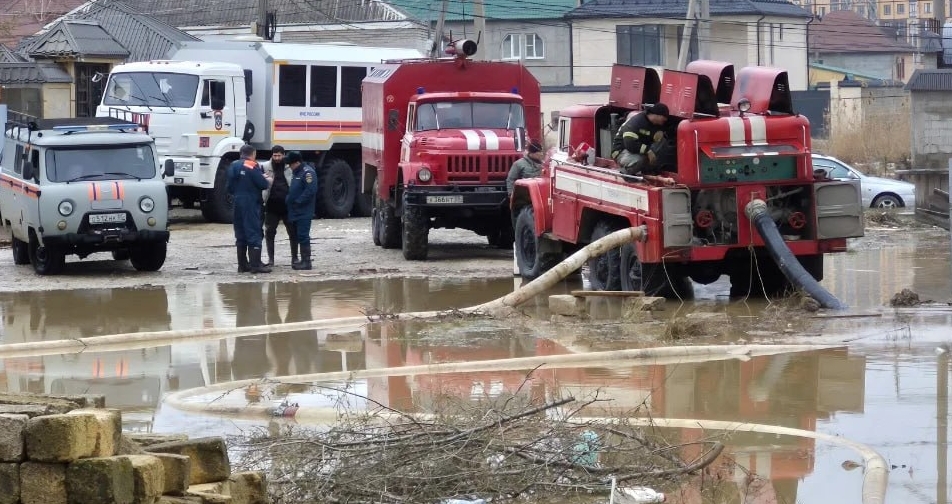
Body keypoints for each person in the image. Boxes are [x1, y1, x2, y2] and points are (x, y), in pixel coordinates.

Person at [226, 143, 273, 274]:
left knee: (240, 233)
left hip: (237, 201)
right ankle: (256, 265)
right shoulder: (252, 165)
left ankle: (242, 265)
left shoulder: (233, 165)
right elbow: (263, 184)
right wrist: (266, 179)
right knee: (254, 231)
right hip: (251, 202)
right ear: (253, 154)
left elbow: (229, 187)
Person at [261, 145, 296, 266]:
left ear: (283, 155)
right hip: (271, 206)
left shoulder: (289, 167)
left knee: (293, 232)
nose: (277, 158)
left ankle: (295, 259)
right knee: (269, 232)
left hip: (287, 206)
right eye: (275, 155)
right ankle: (271, 260)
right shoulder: (265, 167)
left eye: (279, 155)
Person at [611, 102, 669, 176]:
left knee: (662, 142)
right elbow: (630, 144)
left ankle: (649, 170)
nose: (663, 122)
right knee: (640, 160)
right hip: (621, 152)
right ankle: (626, 172)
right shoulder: (636, 122)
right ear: (658, 115)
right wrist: (648, 151)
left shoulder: (654, 123)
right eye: (663, 119)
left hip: (638, 151)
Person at [284, 151, 318, 270]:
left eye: (291, 164)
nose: (289, 166)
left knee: (303, 236)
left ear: (297, 162)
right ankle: (302, 260)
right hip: (295, 210)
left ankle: (306, 262)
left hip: (304, 210)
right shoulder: (296, 172)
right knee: (298, 235)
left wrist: (298, 201)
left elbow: (311, 190)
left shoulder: (307, 173)